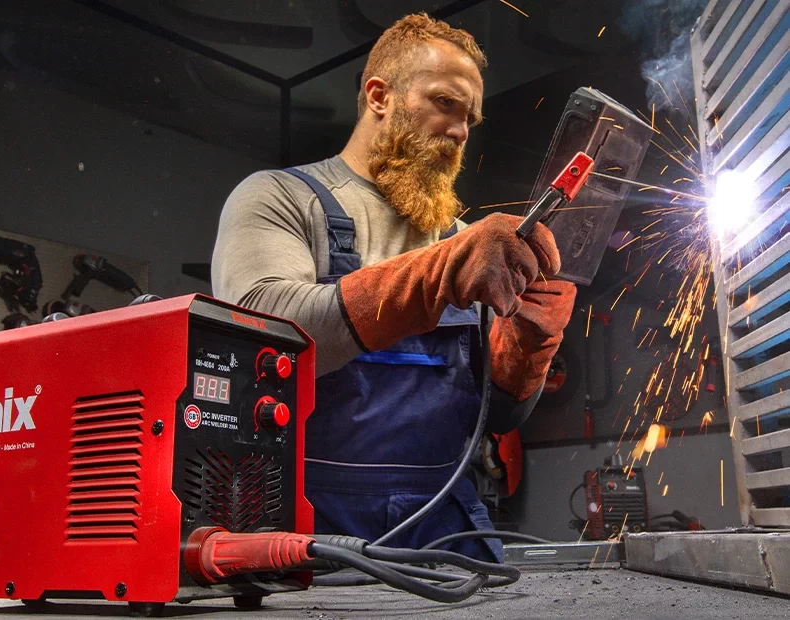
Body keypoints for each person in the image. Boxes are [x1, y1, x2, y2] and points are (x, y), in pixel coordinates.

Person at [211, 13, 575, 562]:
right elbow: (262, 332)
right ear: (379, 95)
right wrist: (439, 274)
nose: (460, 131)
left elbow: (497, 418)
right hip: (308, 523)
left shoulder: (464, 241)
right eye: (445, 103)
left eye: (470, 118)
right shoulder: (281, 198)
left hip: (447, 523)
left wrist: (528, 346)